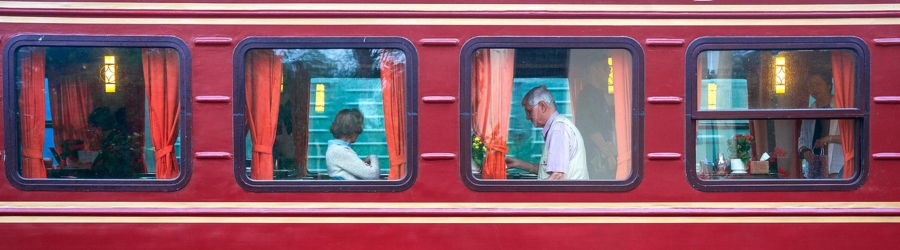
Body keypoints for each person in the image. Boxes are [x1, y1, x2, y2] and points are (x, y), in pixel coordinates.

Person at [505, 85, 589, 180]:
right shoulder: (558, 127)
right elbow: (550, 171)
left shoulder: (558, 130)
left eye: (529, 111)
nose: (527, 117)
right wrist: (519, 164)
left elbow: (558, 176)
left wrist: (533, 194)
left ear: (542, 106)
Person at [797, 71, 844, 179]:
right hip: (815, 168)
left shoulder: (842, 106)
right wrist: (805, 150)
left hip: (838, 168)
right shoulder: (809, 111)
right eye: (810, 85)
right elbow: (803, 139)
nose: (814, 89)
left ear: (829, 85)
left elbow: (852, 139)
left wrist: (828, 138)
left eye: (818, 84)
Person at [325, 108, 380, 180]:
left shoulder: (337, 149)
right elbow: (373, 175)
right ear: (353, 130)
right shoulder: (339, 151)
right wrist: (373, 157)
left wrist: (362, 167)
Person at [87, 107, 134, 178]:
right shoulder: (119, 136)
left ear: (99, 128)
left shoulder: (112, 142)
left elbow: (101, 167)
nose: (90, 131)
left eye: (91, 128)